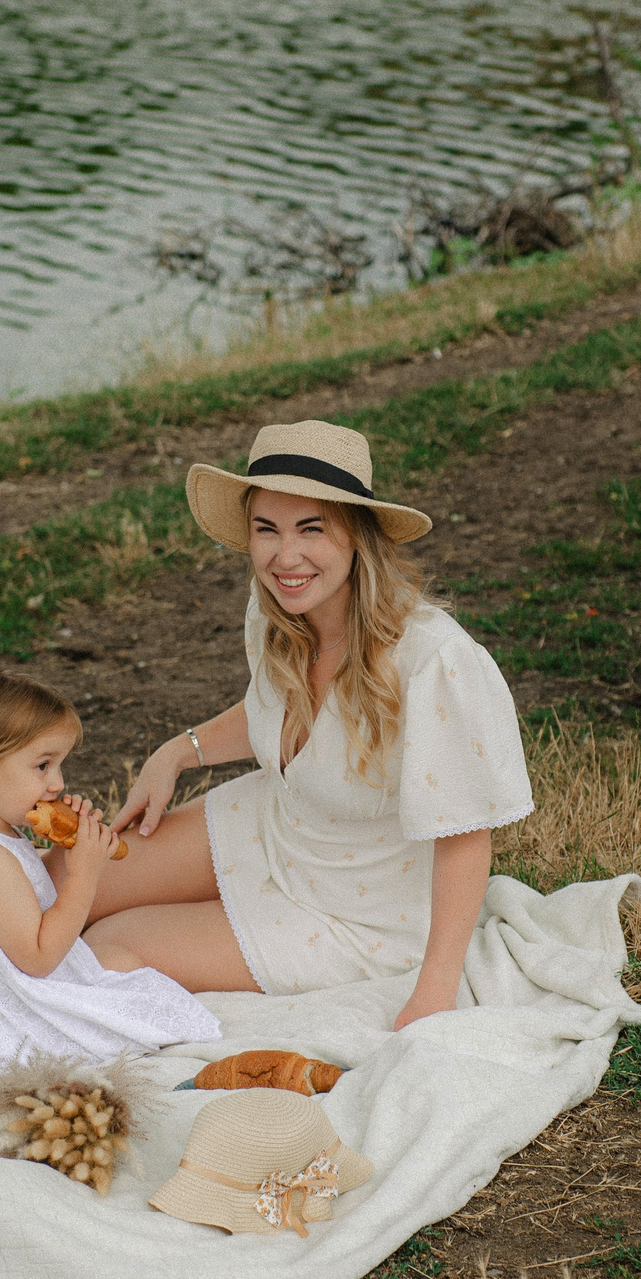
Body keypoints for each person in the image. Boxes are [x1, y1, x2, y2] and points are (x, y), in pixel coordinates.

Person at [83, 420, 533, 1029]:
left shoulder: (432, 661)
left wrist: (435, 987)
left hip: (352, 912)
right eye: (266, 529)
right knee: (66, 883)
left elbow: (464, 836)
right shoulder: (279, 611)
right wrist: (179, 751)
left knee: (107, 950)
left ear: (357, 537)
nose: (284, 556)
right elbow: (281, 715)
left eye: (310, 530)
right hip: (273, 826)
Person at [0, 669, 220, 1072]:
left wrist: (62, 844)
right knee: (137, 989)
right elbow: (39, 958)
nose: (57, 782)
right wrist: (83, 876)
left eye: (59, 765)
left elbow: (20, 896)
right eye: (42, 766)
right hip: (2, 1008)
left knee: (122, 962)